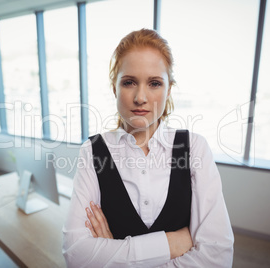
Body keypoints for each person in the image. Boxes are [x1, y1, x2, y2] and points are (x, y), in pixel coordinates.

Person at [62, 28, 234, 267]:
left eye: (154, 83)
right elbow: (76, 255)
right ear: (114, 87)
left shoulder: (195, 148)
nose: (140, 97)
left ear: (168, 90)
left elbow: (218, 258)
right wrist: (170, 245)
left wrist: (112, 254)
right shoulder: (92, 151)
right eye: (129, 82)